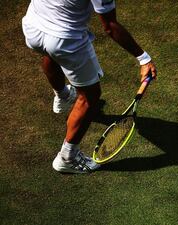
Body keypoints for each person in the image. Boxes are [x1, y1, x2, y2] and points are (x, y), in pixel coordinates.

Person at [22, 0, 157, 174]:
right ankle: (67, 158)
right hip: (64, 39)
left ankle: (63, 97)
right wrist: (143, 58)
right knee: (90, 96)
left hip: (33, 26)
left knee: (50, 52)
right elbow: (110, 26)